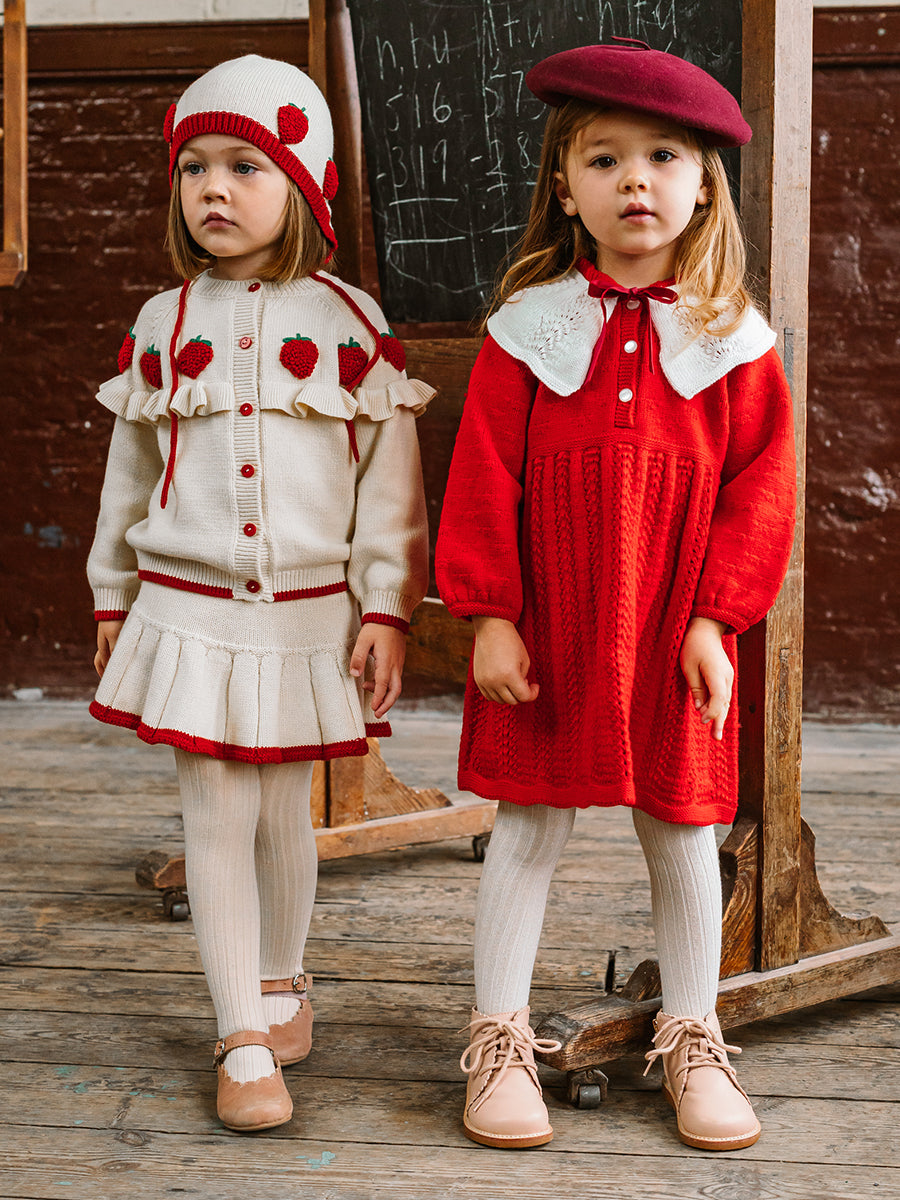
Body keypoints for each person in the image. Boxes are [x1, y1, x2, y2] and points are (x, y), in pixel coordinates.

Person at [436, 40, 796, 1152]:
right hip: (549, 623)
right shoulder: (527, 329)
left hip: (673, 626)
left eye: (663, 157)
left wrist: (714, 621)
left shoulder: (732, 339)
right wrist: (491, 615)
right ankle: (500, 1037)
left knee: (684, 830)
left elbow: (761, 490)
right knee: (527, 824)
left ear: (704, 186)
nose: (635, 179)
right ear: (564, 186)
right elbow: (483, 478)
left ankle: (692, 1032)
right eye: (604, 159)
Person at [87, 55, 430, 1133]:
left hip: (308, 609)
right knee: (217, 808)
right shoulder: (160, 321)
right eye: (194, 168)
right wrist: (111, 597)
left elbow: (389, 487)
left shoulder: (349, 321)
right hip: (186, 606)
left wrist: (386, 605)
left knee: (286, 806)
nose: (213, 189)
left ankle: (282, 978)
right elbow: (128, 478)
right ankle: (239, 1032)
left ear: (304, 187)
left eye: (245, 165)